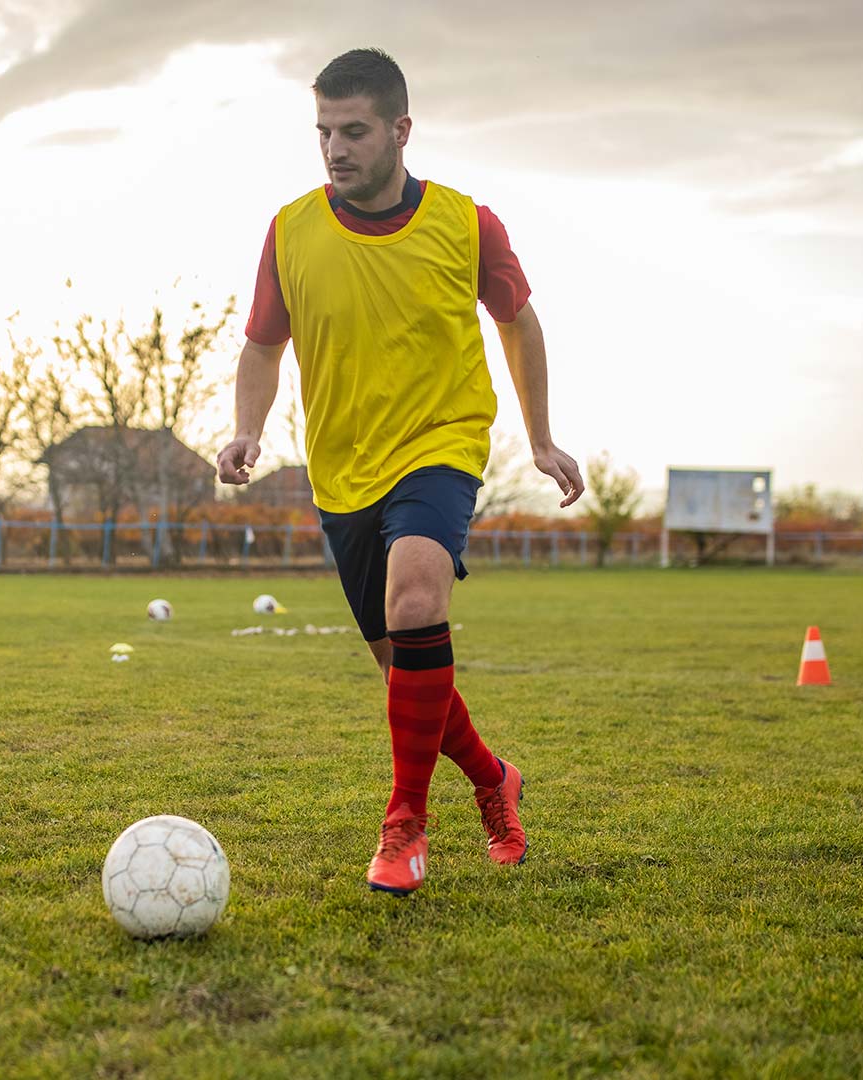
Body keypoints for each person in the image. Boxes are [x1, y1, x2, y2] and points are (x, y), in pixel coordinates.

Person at [215, 48, 583, 896]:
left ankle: (405, 827)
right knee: (404, 666)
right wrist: (246, 429)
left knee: (417, 601)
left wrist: (541, 435)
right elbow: (263, 347)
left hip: (441, 444)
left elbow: (519, 324)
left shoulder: (467, 223)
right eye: (323, 132)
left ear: (400, 130)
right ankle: (494, 779)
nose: (334, 149)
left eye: (353, 131)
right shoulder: (291, 230)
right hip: (342, 469)